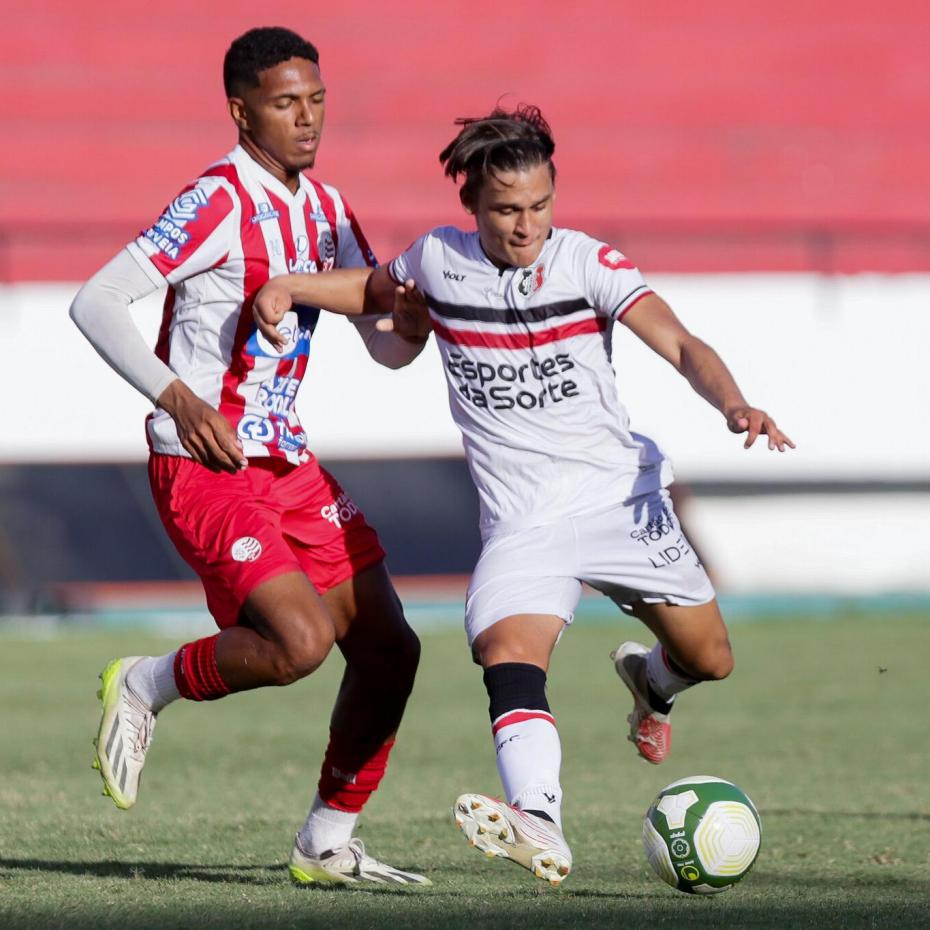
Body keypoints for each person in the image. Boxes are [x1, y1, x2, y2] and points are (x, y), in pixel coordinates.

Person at [252, 105, 794, 886]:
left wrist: (733, 403)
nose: (526, 224)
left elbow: (679, 342)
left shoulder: (586, 262)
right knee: (507, 650)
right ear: (471, 205)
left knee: (710, 657)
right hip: (524, 519)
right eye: (507, 209)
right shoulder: (438, 260)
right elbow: (372, 291)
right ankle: (539, 817)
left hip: (619, 501)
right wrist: (289, 288)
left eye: (540, 205)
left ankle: (651, 681)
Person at [69, 26, 431, 887]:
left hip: (289, 463)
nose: (306, 120)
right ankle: (148, 681)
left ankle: (327, 843)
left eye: (316, 101)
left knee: (391, 649)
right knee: (299, 643)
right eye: (284, 103)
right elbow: (96, 302)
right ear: (241, 110)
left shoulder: (329, 210)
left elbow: (383, 346)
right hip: (204, 464)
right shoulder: (219, 201)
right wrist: (179, 399)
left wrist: (412, 323)